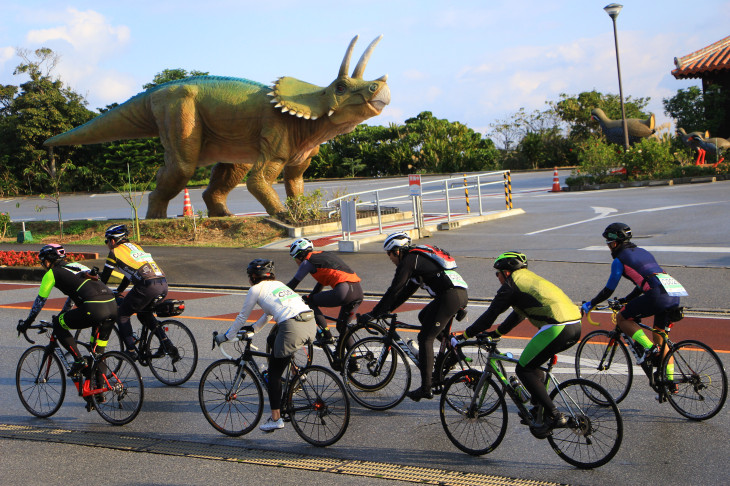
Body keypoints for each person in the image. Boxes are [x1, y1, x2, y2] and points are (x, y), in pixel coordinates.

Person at [460, 251, 582, 435]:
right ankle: (539, 407)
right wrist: (497, 333)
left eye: (497, 273)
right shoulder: (527, 279)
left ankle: (555, 415)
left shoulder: (510, 285)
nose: (497, 277)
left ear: (506, 272)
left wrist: (464, 335)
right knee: (533, 365)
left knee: (523, 369)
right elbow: (518, 314)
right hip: (575, 325)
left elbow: (489, 316)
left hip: (557, 327)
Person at [360, 231, 468, 401]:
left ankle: (426, 388)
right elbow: (403, 294)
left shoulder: (409, 260)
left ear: (397, 251)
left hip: (450, 296)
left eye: (390, 254)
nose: (390, 259)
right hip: (457, 293)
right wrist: (386, 310)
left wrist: (374, 313)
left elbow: (395, 288)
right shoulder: (418, 261)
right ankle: (452, 352)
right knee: (424, 317)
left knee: (425, 338)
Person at [215, 259, 316, 432]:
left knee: (274, 376)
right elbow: (269, 314)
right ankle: (296, 374)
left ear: (253, 277)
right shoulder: (278, 285)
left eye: (249, 276)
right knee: (273, 339)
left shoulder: (255, 289)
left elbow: (241, 317)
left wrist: (227, 336)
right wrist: (254, 329)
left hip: (292, 327)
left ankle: (276, 419)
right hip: (309, 322)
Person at [582, 222, 686, 371]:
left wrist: (591, 303)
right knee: (660, 338)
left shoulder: (619, 260)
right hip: (673, 291)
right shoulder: (643, 251)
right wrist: (626, 300)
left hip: (657, 294)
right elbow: (643, 283)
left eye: (608, 243)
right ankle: (670, 383)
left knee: (622, 318)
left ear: (615, 243)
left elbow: (609, 289)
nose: (608, 246)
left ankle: (650, 348)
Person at [17, 244, 116, 378]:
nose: (42, 265)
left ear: (47, 261)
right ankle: (99, 394)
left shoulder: (51, 273)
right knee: (98, 353)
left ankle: (79, 360)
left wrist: (27, 322)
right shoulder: (79, 266)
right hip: (112, 305)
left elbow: (39, 302)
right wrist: (64, 313)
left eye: (42, 262)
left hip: (94, 308)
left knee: (58, 324)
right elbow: (73, 296)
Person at [99, 224, 170, 360]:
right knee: (145, 315)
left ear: (113, 240)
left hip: (147, 285)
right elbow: (128, 275)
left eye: (106, 240)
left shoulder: (114, 252)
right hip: (163, 283)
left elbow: (105, 277)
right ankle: (166, 344)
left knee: (122, 315)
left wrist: (99, 290)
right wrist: (119, 290)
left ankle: (131, 350)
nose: (107, 244)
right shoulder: (136, 246)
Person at [286, 237, 363, 357]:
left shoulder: (307, 262)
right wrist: (312, 298)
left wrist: (280, 295)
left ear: (300, 255)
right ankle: (352, 360)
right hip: (358, 291)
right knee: (342, 326)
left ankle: (326, 334)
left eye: (294, 257)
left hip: (344, 291)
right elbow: (321, 283)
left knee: (308, 301)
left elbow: (293, 284)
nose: (295, 261)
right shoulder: (324, 255)